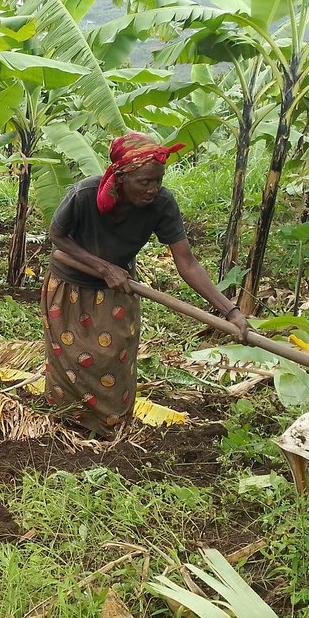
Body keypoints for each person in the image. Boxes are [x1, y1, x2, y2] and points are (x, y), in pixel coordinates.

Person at [42, 132, 249, 436]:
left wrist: (230, 312)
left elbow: (187, 262)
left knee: (114, 357)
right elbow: (57, 239)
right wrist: (103, 267)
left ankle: (111, 431)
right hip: (69, 287)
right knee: (69, 360)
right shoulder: (84, 194)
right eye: (145, 182)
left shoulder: (161, 204)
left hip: (117, 289)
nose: (153, 189)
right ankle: (65, 426)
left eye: (158, 181)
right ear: (122, 178)